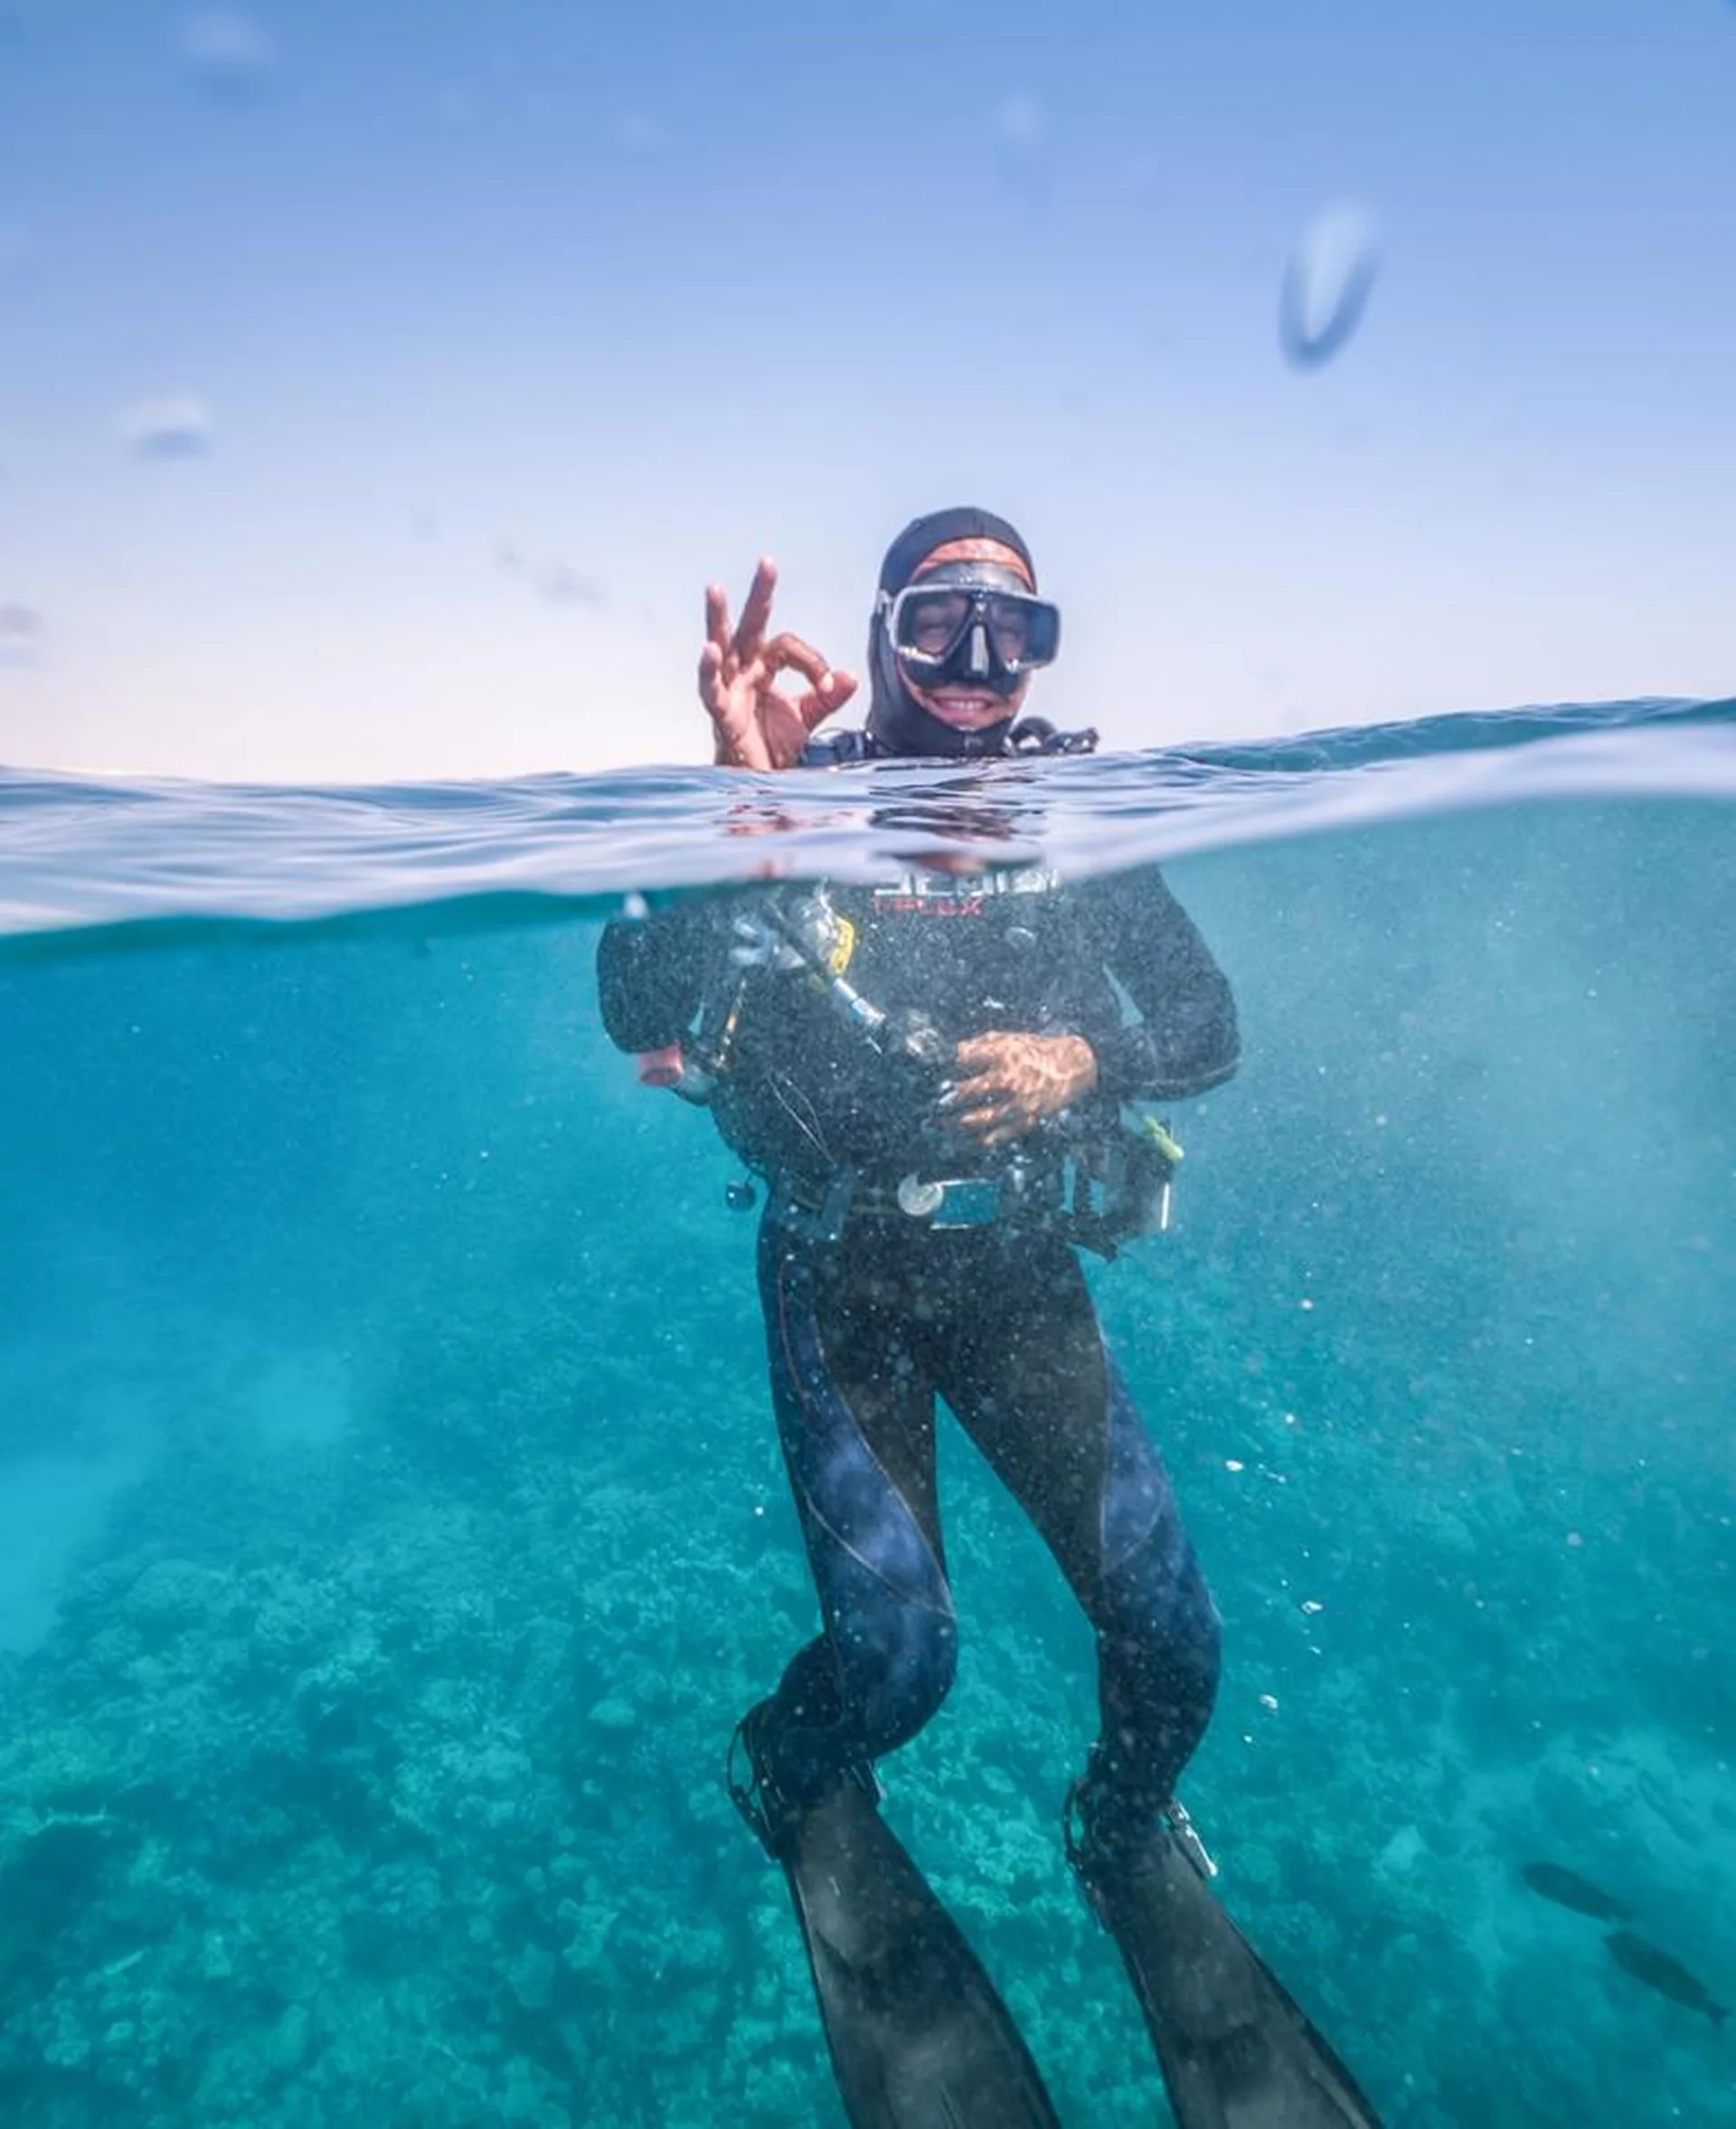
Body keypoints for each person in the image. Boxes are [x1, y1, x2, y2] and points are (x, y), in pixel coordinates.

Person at [596, 508, 1384, 2128]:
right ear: (880, 638)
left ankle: (1117, 1828)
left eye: (1010, 632)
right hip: (842, 1271)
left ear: (1041, 656)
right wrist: (747, 807)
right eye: (938, 625)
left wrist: (1083, 1061)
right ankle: (795, 1767)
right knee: (900, 1658)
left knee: (1174, 1644)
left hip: (1015, 1269)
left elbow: (1204, 1019)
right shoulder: (792, 807)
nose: (973, 666)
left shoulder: (1068, 820)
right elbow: (631, 1001)